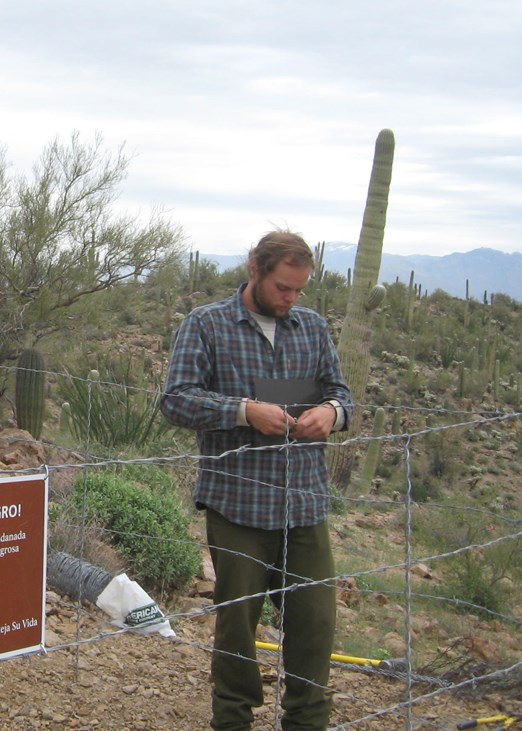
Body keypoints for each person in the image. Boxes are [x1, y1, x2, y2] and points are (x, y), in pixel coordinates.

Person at [160, 229, 353, 730]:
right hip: (239, 507)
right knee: (238, 631)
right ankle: (233, 721)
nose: (291, 298)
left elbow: (341, 392)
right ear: (255, 271)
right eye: (283, 288)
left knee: (314, 626)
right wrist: (244, 411)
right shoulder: (207, 325)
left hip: (305, 505)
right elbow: (176, 399)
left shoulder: (311, 327)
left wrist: (332, 413)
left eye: (299, 289)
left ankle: (307, 722)